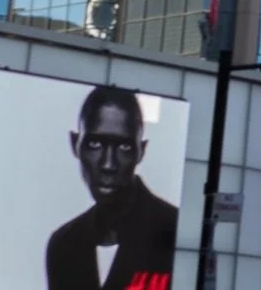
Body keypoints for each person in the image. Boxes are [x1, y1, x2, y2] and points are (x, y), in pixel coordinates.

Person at [45, 86, 178, 290]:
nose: (108, 165)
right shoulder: (63, 245)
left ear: (140, 151)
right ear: (75, 144)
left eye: (124, 147)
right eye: (95, 144)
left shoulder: (174, 231)